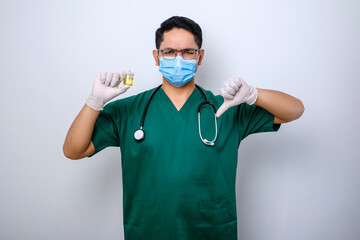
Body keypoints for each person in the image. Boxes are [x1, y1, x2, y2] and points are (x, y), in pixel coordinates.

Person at [63, 16, 304, 240]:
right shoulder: (128, 110)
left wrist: (253, 94)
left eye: (188, 52)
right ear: (157, 57)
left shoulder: (227, 107)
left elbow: (294, 110)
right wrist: (94, 102)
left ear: (200, 57)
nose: (178, 58)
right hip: (149, 229)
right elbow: (74, 150)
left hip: (211, 229)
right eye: (169, 51)